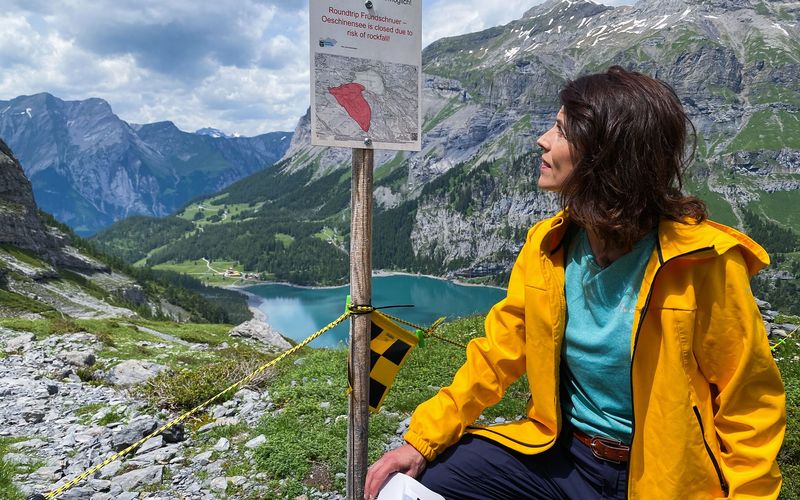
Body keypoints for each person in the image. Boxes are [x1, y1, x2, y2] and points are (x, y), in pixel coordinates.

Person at [364, 66, 786, 499]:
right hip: (561, 458)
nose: (542, 139)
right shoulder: (548, 245)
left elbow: (748, 401)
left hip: (661, 478)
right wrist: (422, 438)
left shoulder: (703, 262)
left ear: (608, 155)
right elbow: (499, 352)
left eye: (562, 130)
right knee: (417, 487)